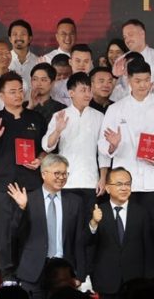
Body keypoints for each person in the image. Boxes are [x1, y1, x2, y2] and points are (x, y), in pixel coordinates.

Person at [0, 71, 48, 284]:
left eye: (20, 90)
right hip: (4, 185)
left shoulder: (36, 118)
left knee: (32, 230)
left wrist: (40, 159)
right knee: (5, 232)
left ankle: (30, 274)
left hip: (32, 184)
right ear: (1, 95)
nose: (17, 95)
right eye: (12, 91)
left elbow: (47, 149)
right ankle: (7, 276)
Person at [98, 60, 154, 217]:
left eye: (146, 80)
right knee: (128, 229)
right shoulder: (115, 109)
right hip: (124, 183)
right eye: (137, 81)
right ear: (128, 80)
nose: (143, 85)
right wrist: (113, 146)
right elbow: (102, 144)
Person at [6, 154, 86, 299]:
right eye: (57, 173)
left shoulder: (75, 202)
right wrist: (22, 208)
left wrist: (80, 273)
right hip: (32, 270)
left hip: (63, 271)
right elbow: (14, 233)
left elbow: (79, 240)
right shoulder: (27, 199)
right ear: (43, 174)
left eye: (64, 173)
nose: (62, 177)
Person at [43, 72, 108, 212]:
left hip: (90, 180)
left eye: (89, 90)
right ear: (71, 93)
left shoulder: (99, 117)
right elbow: (47, 146)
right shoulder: (60, 115)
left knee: (89, 225)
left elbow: (103, 152)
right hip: (65, 181)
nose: (88, 94)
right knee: (67, 225)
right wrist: (58, 131)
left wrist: (103, 178)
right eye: (83, 90)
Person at [87, 167, 154, 298]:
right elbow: (87, 243)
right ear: (107, 188)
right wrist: (94, 223)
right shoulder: (97, 212)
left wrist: (149, 278)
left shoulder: (142, 213)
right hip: (106, 281)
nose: (124, 188)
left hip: (135, 283)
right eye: (119, 184)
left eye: (127, 184)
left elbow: (148, 248)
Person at [8, 19, 38, 89]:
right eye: (15, 34)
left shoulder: (38, 62)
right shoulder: (2, 60)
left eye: (23, 34)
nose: (19, 38)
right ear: (10, 39)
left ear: (30, 38)